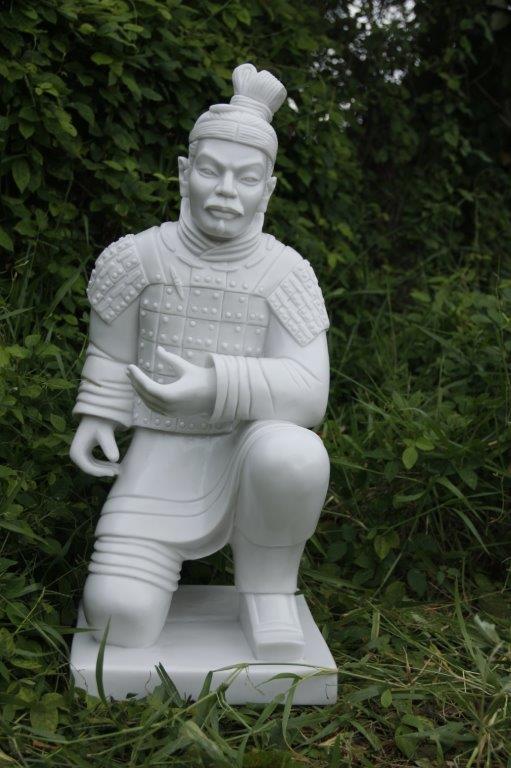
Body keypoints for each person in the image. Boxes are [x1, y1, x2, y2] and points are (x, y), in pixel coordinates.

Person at [70, 63, 330, 661]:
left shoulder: (287, 273)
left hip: (247, 447)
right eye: (211, 170)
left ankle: (268, 589)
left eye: (247, 177)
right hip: (160, 454)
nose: (226, 191)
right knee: (118, 620)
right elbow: (110, 350)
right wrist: (99, 414)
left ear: (268, 189)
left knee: (294, 453)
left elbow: (309, 390)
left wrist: (215, 386)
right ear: (185, 173)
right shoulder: (136, 258)